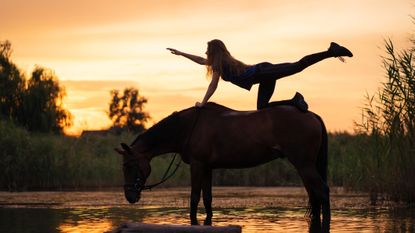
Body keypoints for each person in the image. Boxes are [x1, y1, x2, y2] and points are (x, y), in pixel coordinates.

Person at [167, 39, 353, 111]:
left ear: (213, 51)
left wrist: (203, 103)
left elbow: (213, 85)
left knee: (298, 66)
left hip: (262, 71)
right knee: (262, 108)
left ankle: (331, 51)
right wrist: (182, 53)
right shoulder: (221, 61)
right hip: (262, 76)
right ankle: (294, 101)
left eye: (208, 50)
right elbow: (201, 60)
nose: (206, 54)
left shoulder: (220, 64)